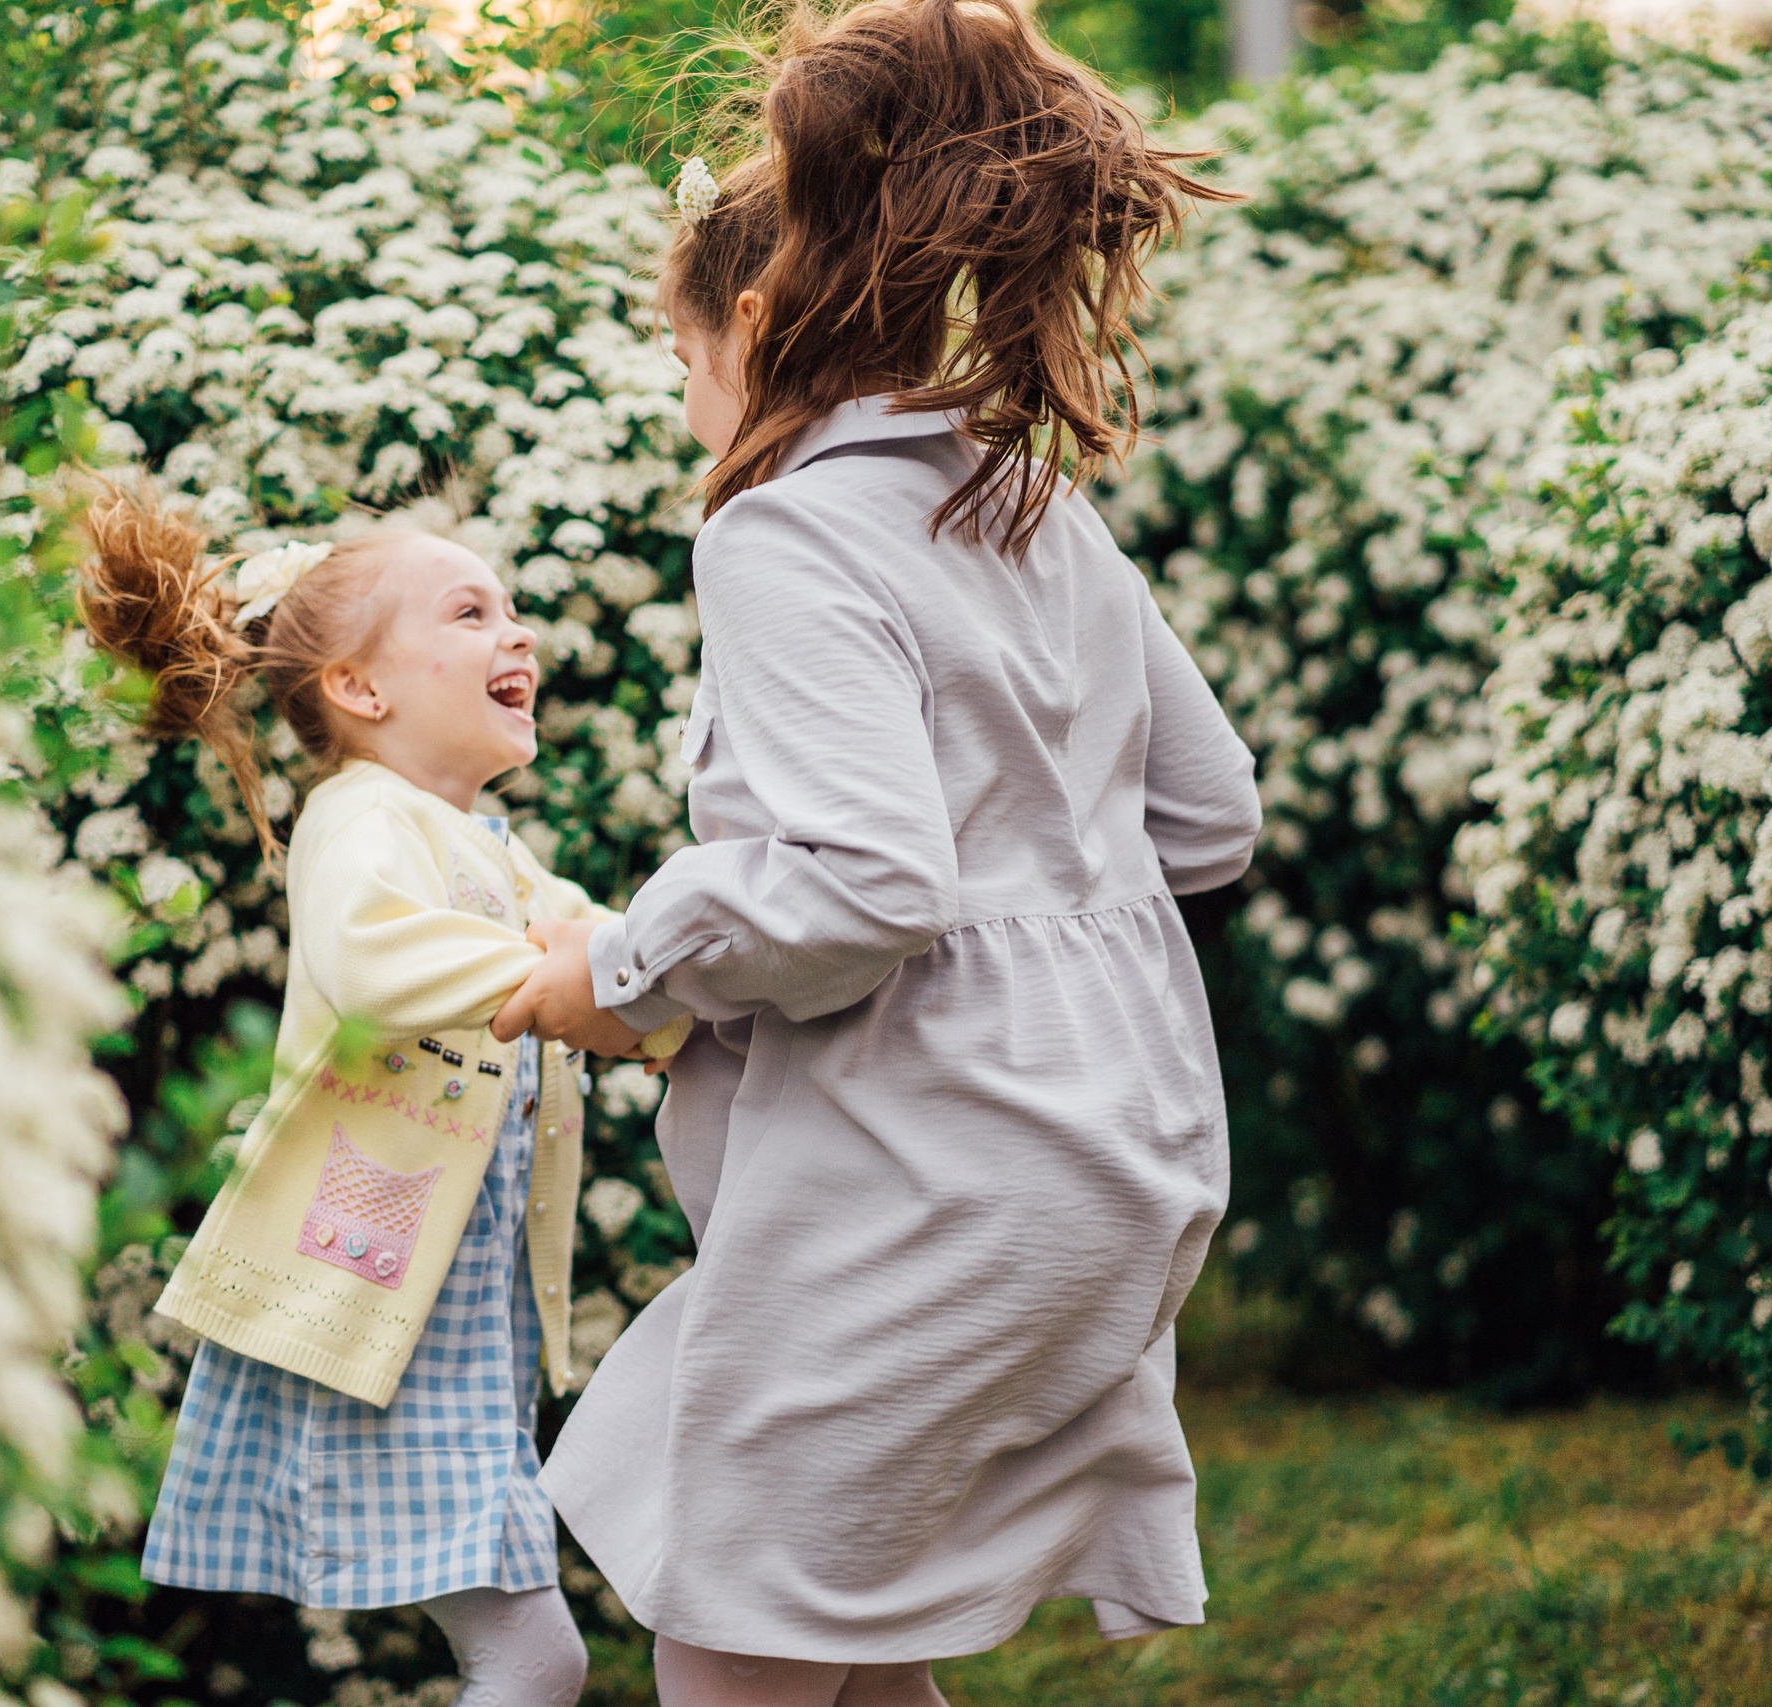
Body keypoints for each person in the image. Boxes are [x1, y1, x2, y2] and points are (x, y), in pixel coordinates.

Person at [489, 2, 1260, 1702]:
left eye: (679, 358)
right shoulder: (1026, 501)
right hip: (1113, 1152)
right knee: (854, 1621)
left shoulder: (782, 531)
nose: (687, 397)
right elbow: (1211, 813)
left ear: (750, 323)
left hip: (931, 1171)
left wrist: (618, 968)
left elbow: (865, 883)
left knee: (736, 1615)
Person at [75, 484, 681, 1706]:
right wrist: (552, 984)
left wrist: (697, 1002)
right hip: (381, 1305)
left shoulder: (488, 849)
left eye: (512, 611)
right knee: (534, 1657)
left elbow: (613, 957)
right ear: (361, 689)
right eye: (471, 613)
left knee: (528, 1655)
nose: (518, 635)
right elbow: (366, 953)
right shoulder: (359, 818)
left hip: (445, 1309)